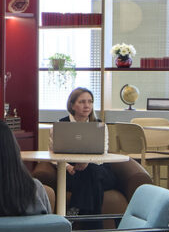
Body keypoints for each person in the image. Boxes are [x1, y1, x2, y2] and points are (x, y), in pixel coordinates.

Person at [49, 85, 152, 218]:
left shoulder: (99, 125)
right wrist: (68, 167)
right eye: (82, 102)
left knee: (91, 171)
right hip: (72, 173)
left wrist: (87, 163)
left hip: (100, 170)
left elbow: (103, 153)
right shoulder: (60, 125)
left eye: (90, 101)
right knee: (92, 181)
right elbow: (52, 153)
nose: (87, 105)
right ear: (72, 105)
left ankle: (74, 210)